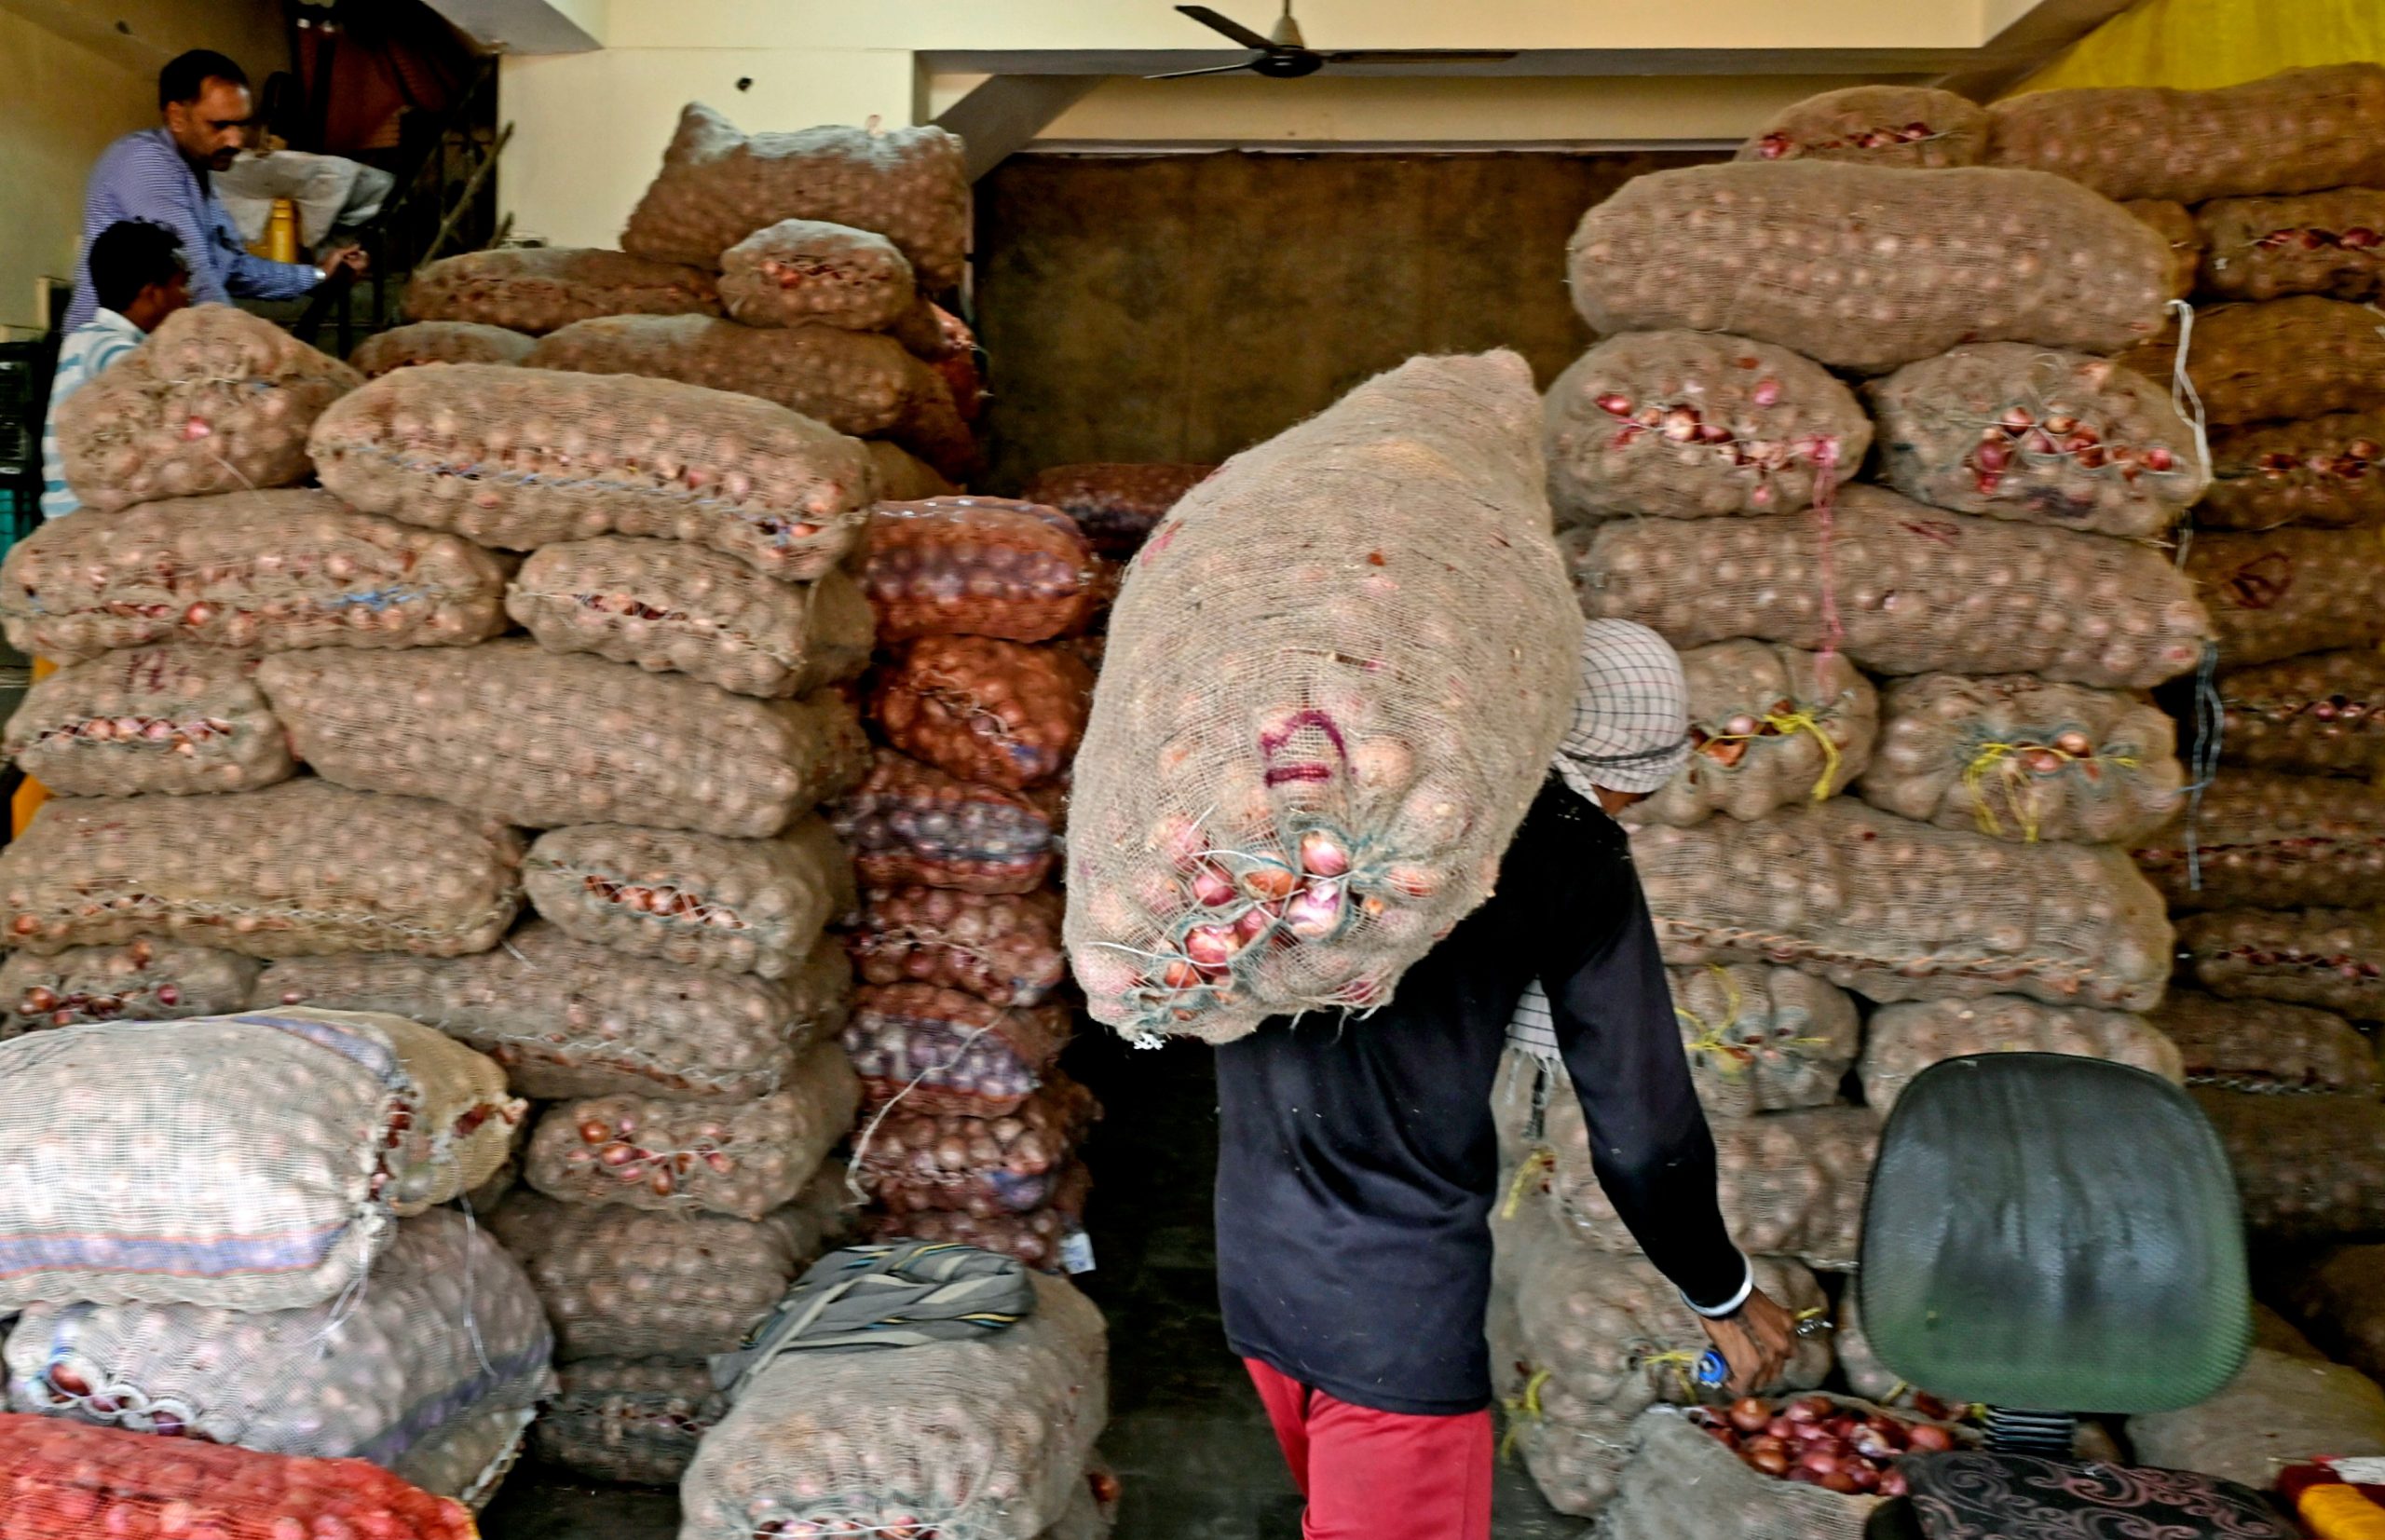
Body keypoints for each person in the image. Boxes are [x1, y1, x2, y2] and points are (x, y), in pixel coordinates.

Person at [1213, 619, 1798, 1540]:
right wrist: (1718, 1289)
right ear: (1627, 763)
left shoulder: (1324, 796)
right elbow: (1642, 1133)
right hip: (1394, 1304)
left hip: (1260, 1264)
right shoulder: (1570, 848)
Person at [62, 48, 364, 331]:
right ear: (177, 117)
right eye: (220, 125)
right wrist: (250, 365)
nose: (236, 140)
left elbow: (232, 268)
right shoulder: (145, 163)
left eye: (241, 124)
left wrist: (319, 275)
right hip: (108, 360)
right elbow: (198, 279)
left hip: (159, 357)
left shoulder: (199, 171)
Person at [39, 219, 192, 521]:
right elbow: (160, 399)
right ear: (152, 294)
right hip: (84, 512)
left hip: (64, 507)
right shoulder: (113, 349)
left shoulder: (84, 338)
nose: (188, 296)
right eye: (181, 285)